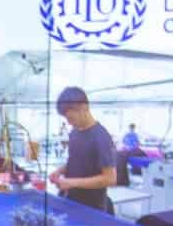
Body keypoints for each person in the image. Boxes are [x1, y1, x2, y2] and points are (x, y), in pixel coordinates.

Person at [47, 86, 119, 214]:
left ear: (84, 108)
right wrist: (60, 171)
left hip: (91, 208)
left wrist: (71, 182)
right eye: (66, 118)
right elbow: (75, 160)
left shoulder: (101, 137)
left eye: (71, 118)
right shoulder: (75, 132)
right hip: (71, 200)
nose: (69, 123)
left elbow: (110, 178)